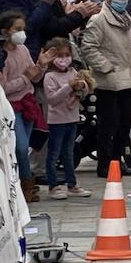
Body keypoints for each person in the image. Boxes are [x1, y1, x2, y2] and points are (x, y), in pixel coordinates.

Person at [79, 0, 131, 179]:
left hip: (127, 76)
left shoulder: (126, 19)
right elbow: (88, 47)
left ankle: (116, 157)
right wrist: (105, 67)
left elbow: (125, 46)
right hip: (109, 80)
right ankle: (106, 162)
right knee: (109, 122)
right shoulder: (99, 20)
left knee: (128, 118)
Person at [0, 11, 45, 202]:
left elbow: (34, 76)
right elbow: (4, 87)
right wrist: (26, 77)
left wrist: (41, 66)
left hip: (28, 103)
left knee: (25, 148)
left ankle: (25, 185)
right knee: (20, 146)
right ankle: (26, 183)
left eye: (23, 29)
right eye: (17, 29)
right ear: (5, 31)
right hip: (13, 106)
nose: (21, 33)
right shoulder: (2, 55)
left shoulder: (24, 50)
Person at [40, 37, 92, 200]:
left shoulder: (73, 72)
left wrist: (82, 87)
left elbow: (84, 92)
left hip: (72, 118)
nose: (64, 59)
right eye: (59, 56)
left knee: (69, 152)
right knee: (54, 153)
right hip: (56, 121)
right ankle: (53, 185)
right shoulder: (49, 77)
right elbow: (53, 99)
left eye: (66, 55)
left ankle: (72, 184)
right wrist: (69, 86)